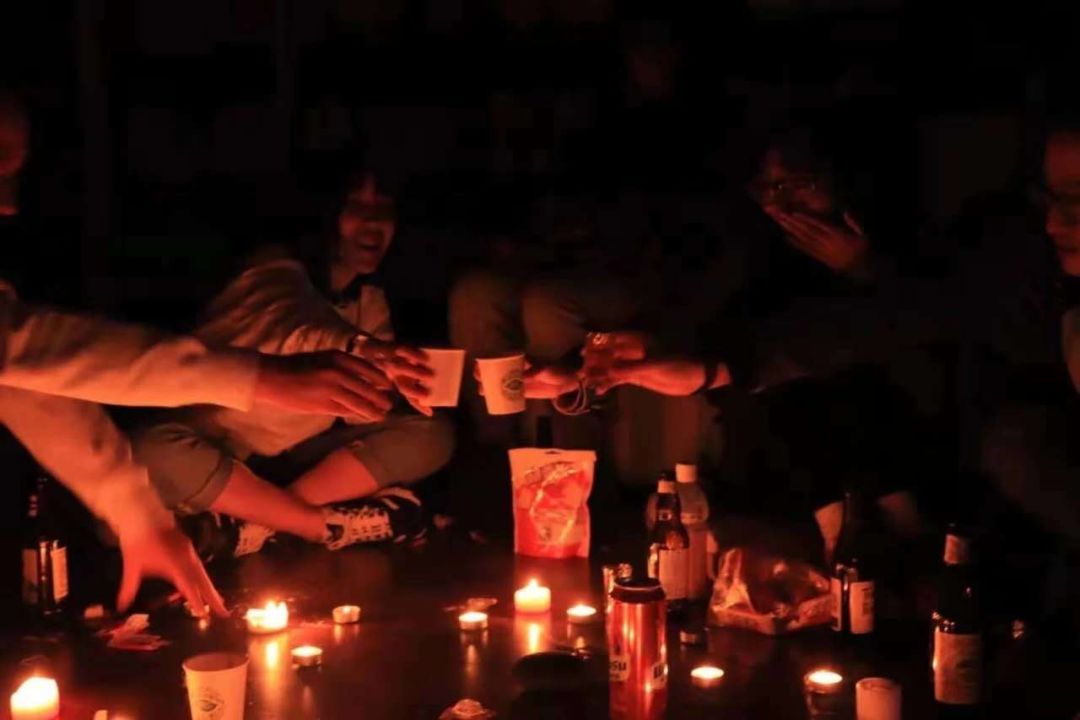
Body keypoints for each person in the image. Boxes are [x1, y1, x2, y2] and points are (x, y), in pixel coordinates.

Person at [568, 119, 936, 561]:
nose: (781, 204)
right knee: (782, 397)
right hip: (777, 391)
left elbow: (905, 319)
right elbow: (720, 313)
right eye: (769, 188)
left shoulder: (890, 240)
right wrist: (650, 344)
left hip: (863, 381)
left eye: (800, 185)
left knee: (849, 392)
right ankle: (844, 536)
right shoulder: (755, 243)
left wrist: (863, 268)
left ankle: (900, 531)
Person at [0, 280, 394, 616]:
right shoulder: (275, 281)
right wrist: (263, 378)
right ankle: (301, 522)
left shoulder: (368, 299)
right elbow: (23, 350)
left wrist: (135, 513)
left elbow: (24, 378)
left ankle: (284, 519)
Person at [132, 173, 454, 556]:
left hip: (292, 461)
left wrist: (393, 387)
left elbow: (357, 410)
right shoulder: (269, 268)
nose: (372, 220)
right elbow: (292, 325)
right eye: (355, 205)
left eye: (383, 206)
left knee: (431, 432)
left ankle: (254, 525)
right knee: (152, 450)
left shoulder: (370, 301)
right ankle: (323, 526)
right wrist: (358, 348)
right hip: (214, 450)